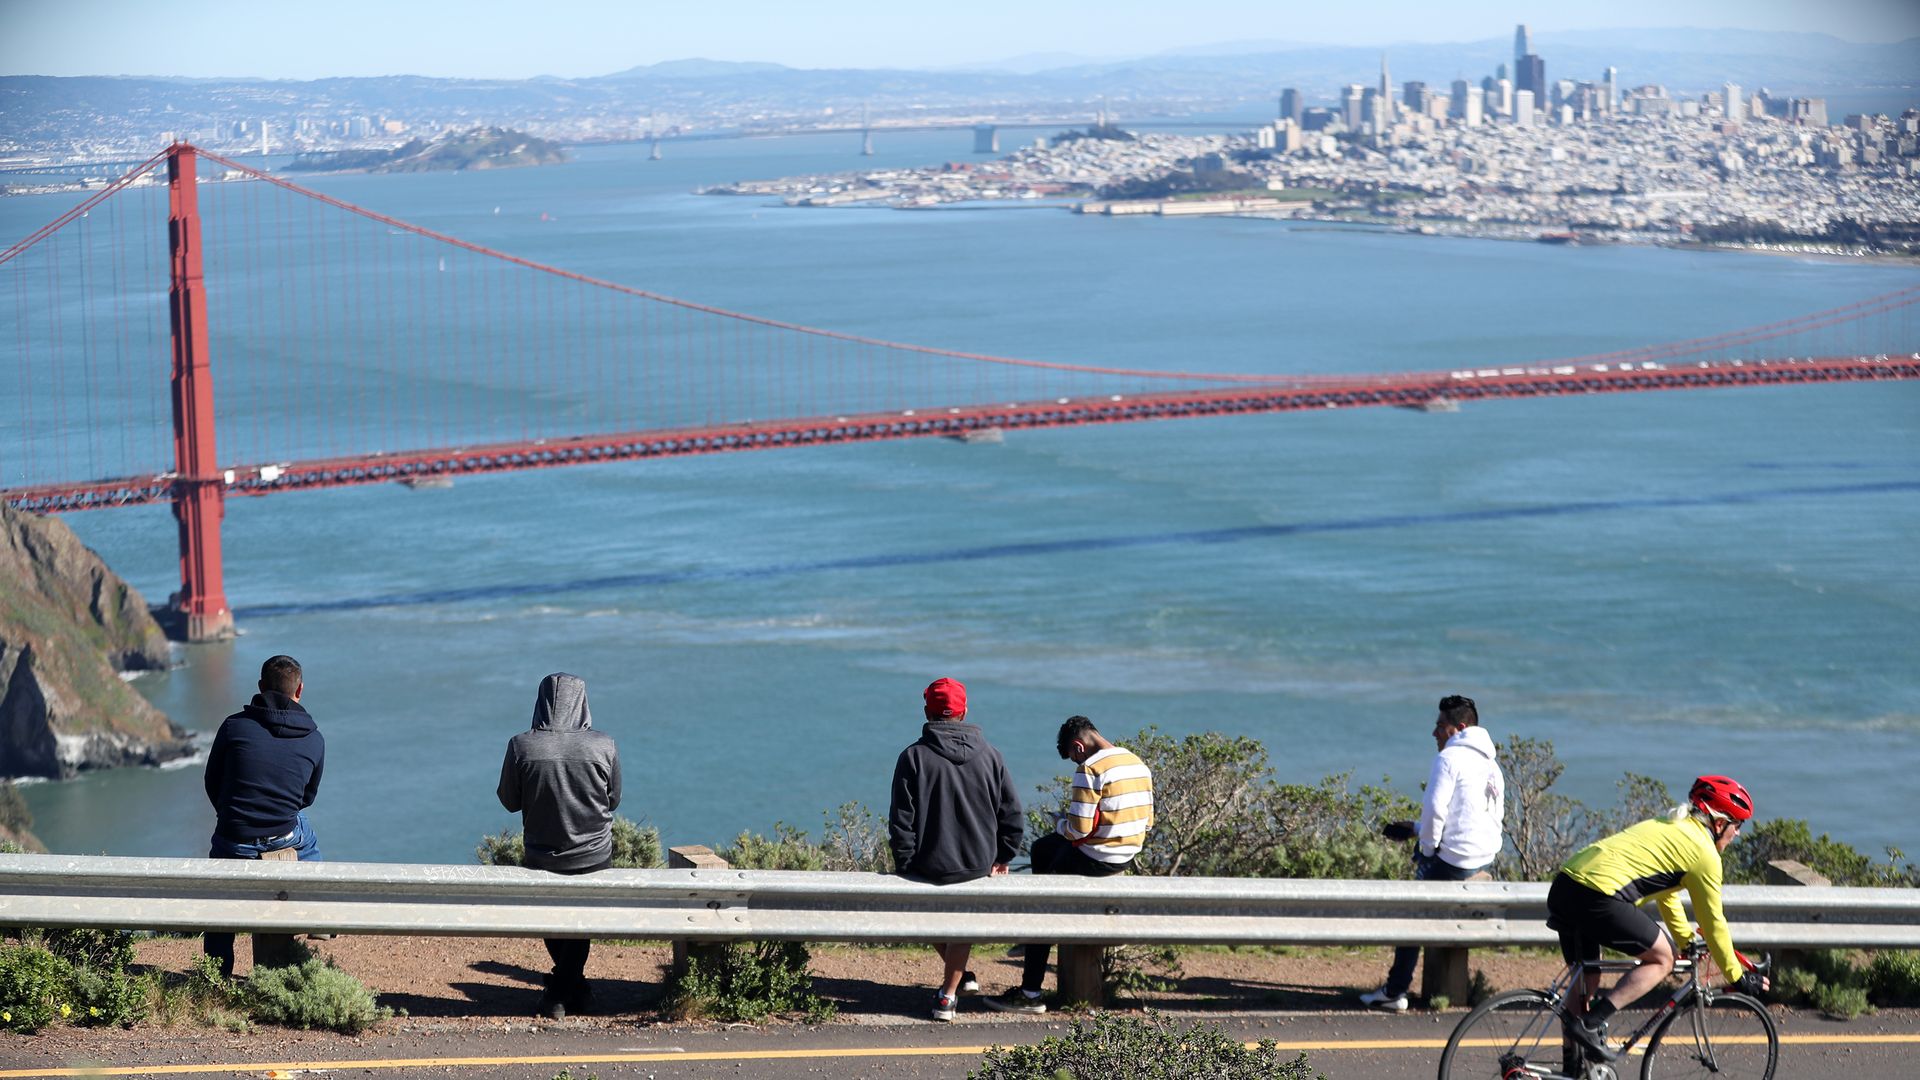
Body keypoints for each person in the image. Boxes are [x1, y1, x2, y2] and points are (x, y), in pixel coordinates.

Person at [1549, 775, 1769, 1064]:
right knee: (1663, 959)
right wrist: (1736, 977)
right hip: (1597, 895)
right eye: (1737, 825)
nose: (1737, 834)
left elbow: (1667, 895)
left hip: (1566, 885)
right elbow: (1715, 922)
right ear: (1719, 823)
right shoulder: (1704, 854)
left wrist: (1686, 940)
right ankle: (1592, 1024)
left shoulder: (1672, 825)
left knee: (1586, 981)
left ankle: (1571, 1067)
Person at [984, 715, 1153, 1015]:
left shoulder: (1090, 769)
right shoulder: (1135, 763)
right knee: (1043, 849)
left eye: (1072, 755)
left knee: (1042, 907)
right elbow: (1148, 821)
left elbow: (1078, 830)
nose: (1073, 761)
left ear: (1078, 746)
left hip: (1096, 858)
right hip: (1125, 854)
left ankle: (1030, 992)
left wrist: (1060, 821)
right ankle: (1034, 942)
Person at [888, 677, 1024, 1022]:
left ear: (927, 712)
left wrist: (905, 864)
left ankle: (950, 993)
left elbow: (902, 821)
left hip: (928, 864)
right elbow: (1011, 813)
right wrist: (1003, 855)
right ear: (964, 711)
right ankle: (954, 984)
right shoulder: (992, 756)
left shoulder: (913, 757)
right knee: (962, 922)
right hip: (978, 863)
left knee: (926, 918)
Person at [1361, 694, 1505, 1011]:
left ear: (1459, 728)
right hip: (1482, 859)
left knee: (1411, 908)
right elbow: (1476, 816)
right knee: (1423, 845)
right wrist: (1414, 827)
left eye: (1440, 726)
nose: (1434, 733)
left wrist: (1424, 848)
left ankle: (1395, 991)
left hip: (1454, 863)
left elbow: (1436, 812)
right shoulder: (1491, 765)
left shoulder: (1449, 759)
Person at [498, 672, 622, 1021]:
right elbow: (612, 800)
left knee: (553, 920)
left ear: (540, 703)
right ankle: (572, 988)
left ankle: (559, 992)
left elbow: (509, 800)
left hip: (542, 855)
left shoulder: (521, 745)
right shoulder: (604, 745)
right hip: (594, 855)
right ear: (583, 703)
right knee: (580, 920)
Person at [202, 654, 326, 978]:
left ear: (260, 688)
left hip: (233, 838)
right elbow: (306, 798)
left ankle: (218, 975)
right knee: (304, 827)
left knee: (220, 899)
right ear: (299, 690)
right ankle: (319, 905)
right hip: (284, 834)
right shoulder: (314, 739)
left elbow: (211, 781)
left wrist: (233, 817)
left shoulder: (233, 727)